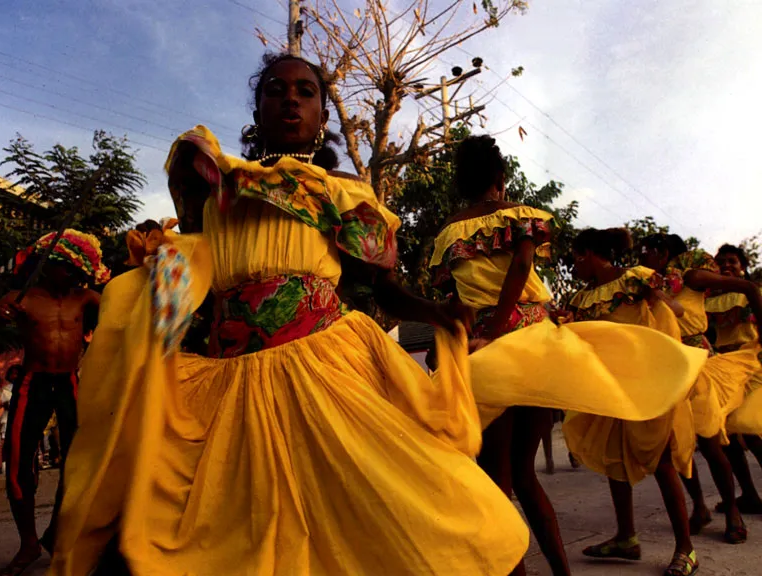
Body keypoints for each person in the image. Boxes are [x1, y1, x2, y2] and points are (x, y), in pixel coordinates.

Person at [50, 53, 534, 576]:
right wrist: (154, 311)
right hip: (229, 384)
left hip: (326, 368)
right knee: (185, 529)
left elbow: (383, 289)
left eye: (306, 92)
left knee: (406, 509)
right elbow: (193, 282)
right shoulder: (217, 191)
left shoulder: (343, 192)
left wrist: (439, 314)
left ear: (323, 115)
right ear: (256, 109)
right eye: (276, 90)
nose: (291, 99)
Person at [428, 136, 707, 576]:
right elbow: (521, 268)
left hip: (489, 351)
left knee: (497, 481)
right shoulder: (521, 215)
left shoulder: (444, 237)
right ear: (501, 179)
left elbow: (451, 304)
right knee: (523, 472)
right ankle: (563, 571)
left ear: (460, 182)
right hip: (539, 349)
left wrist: (462, 345)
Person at [0, 229, 106, 576]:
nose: (73, 274)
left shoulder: (86, 298)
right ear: (49, 266)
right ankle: (27, 542)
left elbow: (122, 319)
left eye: (78, 269)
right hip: (34, 383)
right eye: (67, 267)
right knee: (17, 465)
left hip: (71, 383)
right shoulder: (22, 298)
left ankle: (57, 534)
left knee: (78, 465)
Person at [564, 228, 698, 576]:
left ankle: (686, 549)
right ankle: (626, 538)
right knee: (614, 458)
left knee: (662, 459)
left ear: (589, 255)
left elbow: (677, 312)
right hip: (612, 387)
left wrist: (659, 300)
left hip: (648, 383)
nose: (573, 267)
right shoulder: (580, 300)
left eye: (576, 258)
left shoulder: (637, 279)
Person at [640, 233, 762, 544]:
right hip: (668, 369)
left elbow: (749, 287)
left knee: (710, 442)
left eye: (647, 251)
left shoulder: (691, 276)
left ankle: (733, 511)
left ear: (661, 251)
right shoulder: (653, 284)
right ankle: (699, 507)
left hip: (698, 365)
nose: (643, 257)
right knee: (678, 443)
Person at [706, 244, 762, 513]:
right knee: (727, 436)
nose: (726, 265)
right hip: (723, 370)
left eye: (732, 261)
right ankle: (749, 495)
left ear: (743, 266)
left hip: (752, 365)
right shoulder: (709, 298)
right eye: (722, 262)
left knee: (752, 433)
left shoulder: (753, 292)